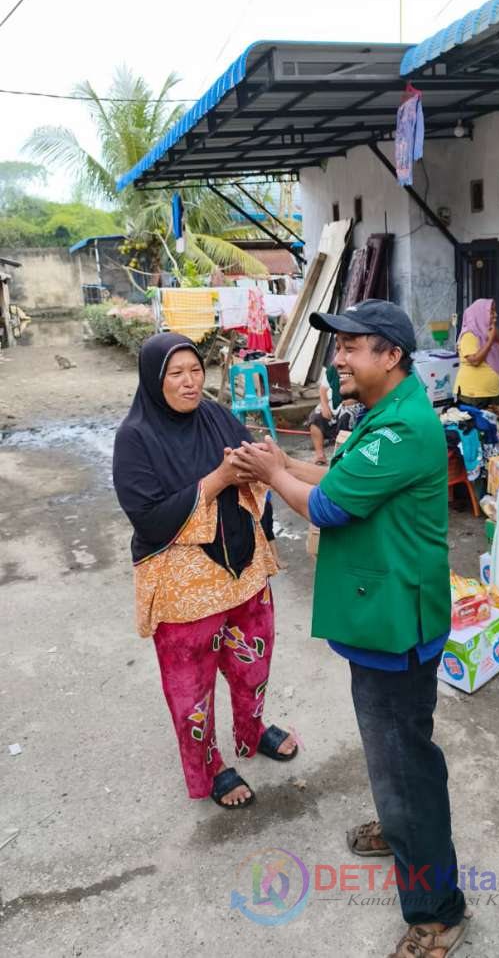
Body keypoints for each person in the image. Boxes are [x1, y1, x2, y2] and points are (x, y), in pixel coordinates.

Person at [230, 299, 470, 958]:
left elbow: (330, 504)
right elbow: (338, 476)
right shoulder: (381, 415)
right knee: (392, 751)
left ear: (390, 355)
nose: (337, 357)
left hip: (398, 626)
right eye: (336, 346)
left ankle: (439, 908)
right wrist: (278, 462)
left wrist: (273, 472)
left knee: (404, 764)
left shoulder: (402, 428)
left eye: (351, 346)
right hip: (382, 616)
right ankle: (402, 828)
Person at [112, 333, 297, 812]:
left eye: (195, 370)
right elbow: (148, 517)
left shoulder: (214, 415)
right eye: (176, 374)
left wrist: (265, 462)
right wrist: (218, 479)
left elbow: (253, 462)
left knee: (252, 662)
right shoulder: (135, 437)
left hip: (243, 569)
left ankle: (252, 729)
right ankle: (210, 765)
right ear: (155, 380)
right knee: (191, 689)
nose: (190, 382)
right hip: (185, 586)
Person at [306, 363, 364, 466]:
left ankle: (342, 458)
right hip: (334, 403)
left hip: (356, 403)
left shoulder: (361, 367)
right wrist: (324, 406)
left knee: (346, 417)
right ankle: (320, 456)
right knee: (316, 417)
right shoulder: (333, 369)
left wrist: (354, 399)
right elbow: (323, 389)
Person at [454, 297, 499, 408]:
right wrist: (490, 341)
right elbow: (474, 361)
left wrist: (497, 338)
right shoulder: (469, 335)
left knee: (497, 424)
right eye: (491, 312)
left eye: (495, 311)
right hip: (473, 394)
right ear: (480, 314)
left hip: (492, 391)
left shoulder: (489, 332)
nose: (495, 315)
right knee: (475, 424)